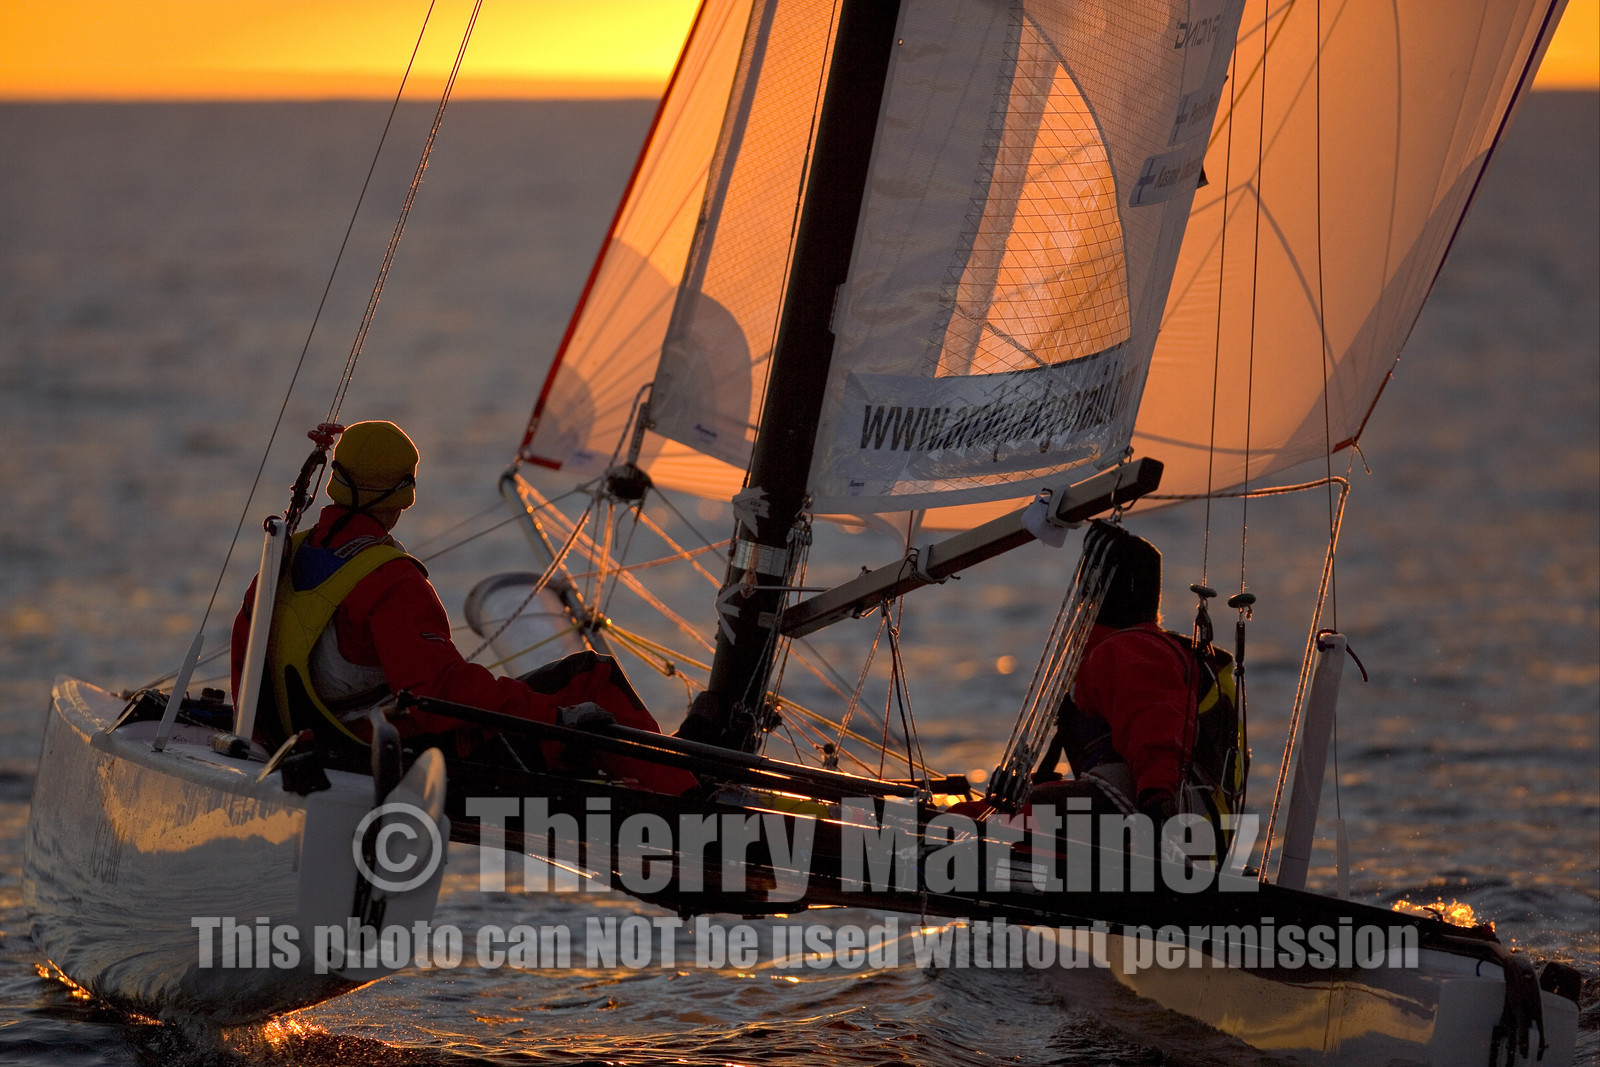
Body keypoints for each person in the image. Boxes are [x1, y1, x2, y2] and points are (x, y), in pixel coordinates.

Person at [230, 420, 695, 795]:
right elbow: (439, 692)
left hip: (315, 738)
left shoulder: (286, 555)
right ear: (403, 495)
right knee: (590, 677)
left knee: (550, 697)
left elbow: (246, 665)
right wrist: (553, 717)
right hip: (397, 750)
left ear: (336, 482)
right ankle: (690, 800)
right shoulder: (390, 578)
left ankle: (659, 776)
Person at [1035, 522, 1241, 851]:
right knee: (1021, 806)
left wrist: (1157, 805)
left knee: (1021, 813)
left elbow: (1156, 723)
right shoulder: (1131, 647)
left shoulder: (1127, 649)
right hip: (1181, 825)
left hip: (1164, 823)